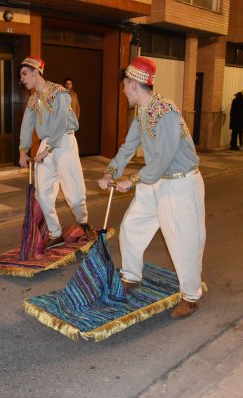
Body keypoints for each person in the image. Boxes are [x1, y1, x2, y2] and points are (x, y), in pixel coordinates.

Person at [97, 56, 206, 319]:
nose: (123, 90)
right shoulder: (143, 113)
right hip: (155, 181)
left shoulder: (165, 111)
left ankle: (191, 297)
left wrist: (131, 181)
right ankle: (132, 276)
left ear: (133, 84)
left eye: (124, 85)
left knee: (183, 242)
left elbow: (163, 160)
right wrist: (111, 171)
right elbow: (128, 147)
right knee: (132, 227)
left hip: (180, 183)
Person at [18, 56, 96, 248]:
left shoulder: (60, 92)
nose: (22, 78)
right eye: (21, 75)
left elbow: (61, 122)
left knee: (75, 194)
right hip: (46, 144)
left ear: (36, 72)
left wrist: (47, 150)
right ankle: (55, 232)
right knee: (42, 194)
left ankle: (84, 222)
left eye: (25, 73)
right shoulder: (33, 100)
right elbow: (27, 126)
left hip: (64, 142)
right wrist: (22, 150)